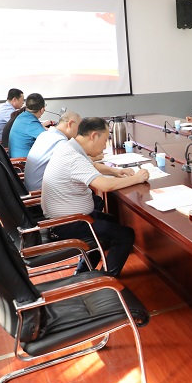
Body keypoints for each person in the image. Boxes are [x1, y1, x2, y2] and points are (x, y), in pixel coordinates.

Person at [42, 117, 149, 276]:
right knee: (125, 235)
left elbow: (91, 166)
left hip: (69, 218)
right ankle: (106, 279)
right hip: (67, 224)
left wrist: (116, 171)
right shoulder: (73, 158)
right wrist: (137, 178)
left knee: (111, 221)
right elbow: (105, 185)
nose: (105, 146)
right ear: (93, 136)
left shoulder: (70, 147)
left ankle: (84, 271)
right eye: (104, 140)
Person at [24, 111, 82, 191]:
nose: (80, 132)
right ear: (70, 124)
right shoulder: (61, 142)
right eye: (79, 128)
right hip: (41, 192)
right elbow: (77, 166)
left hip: (30, 187)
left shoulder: (44, 134)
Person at [8, 93, 53, 158]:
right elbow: (51, 140)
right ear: (42, 109)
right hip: (23, 160)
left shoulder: (23, 116)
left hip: (17, 156)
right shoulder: (30, 122)